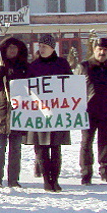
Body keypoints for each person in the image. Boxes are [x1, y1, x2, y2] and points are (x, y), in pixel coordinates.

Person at [25, 34, 72, 192]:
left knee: (56, 147)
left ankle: (55, 179)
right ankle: (46, 180)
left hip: (57, 112)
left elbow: (70, 84)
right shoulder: (34, 65)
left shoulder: (62, 64)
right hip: (39, 113)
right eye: (40, 46)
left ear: (53, 48)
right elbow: (28, 88)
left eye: (45, 46)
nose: (41, 49)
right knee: (42, 149)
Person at [75, 38, 107, 185]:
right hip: (88, 112)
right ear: (94, 49)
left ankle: (105, 171)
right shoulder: (83, 67)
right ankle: (86, 173)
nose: (102, 52)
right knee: (86, 143)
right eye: (99, 49)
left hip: (106, 112)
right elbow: (74, 89)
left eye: (105, 50)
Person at [0, 37, 29, 188]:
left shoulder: (24, 66)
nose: (13, 50)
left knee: (16, 147)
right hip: (1, 110)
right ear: (5, 50)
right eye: (10, 48)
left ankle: (13, 179)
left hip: (18, 110)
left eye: (15, 48)